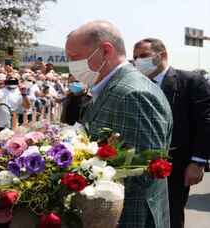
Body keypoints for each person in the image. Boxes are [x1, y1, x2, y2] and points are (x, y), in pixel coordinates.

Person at [66, 21, 173, 228]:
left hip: (129, 218)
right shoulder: (112, 87)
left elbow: (143, 173)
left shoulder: (133, 94)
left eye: (74, 58)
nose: (71, 65)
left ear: (105, 51)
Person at [133, 38, 210, 228]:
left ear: (163, 55)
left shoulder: (191, 81)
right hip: (139, 165)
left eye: (143, 56)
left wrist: (198, 162)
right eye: (134, 57)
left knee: (171, 216)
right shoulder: (137, 84)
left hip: (176, 166)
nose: (137, 61)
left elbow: (206, 123)